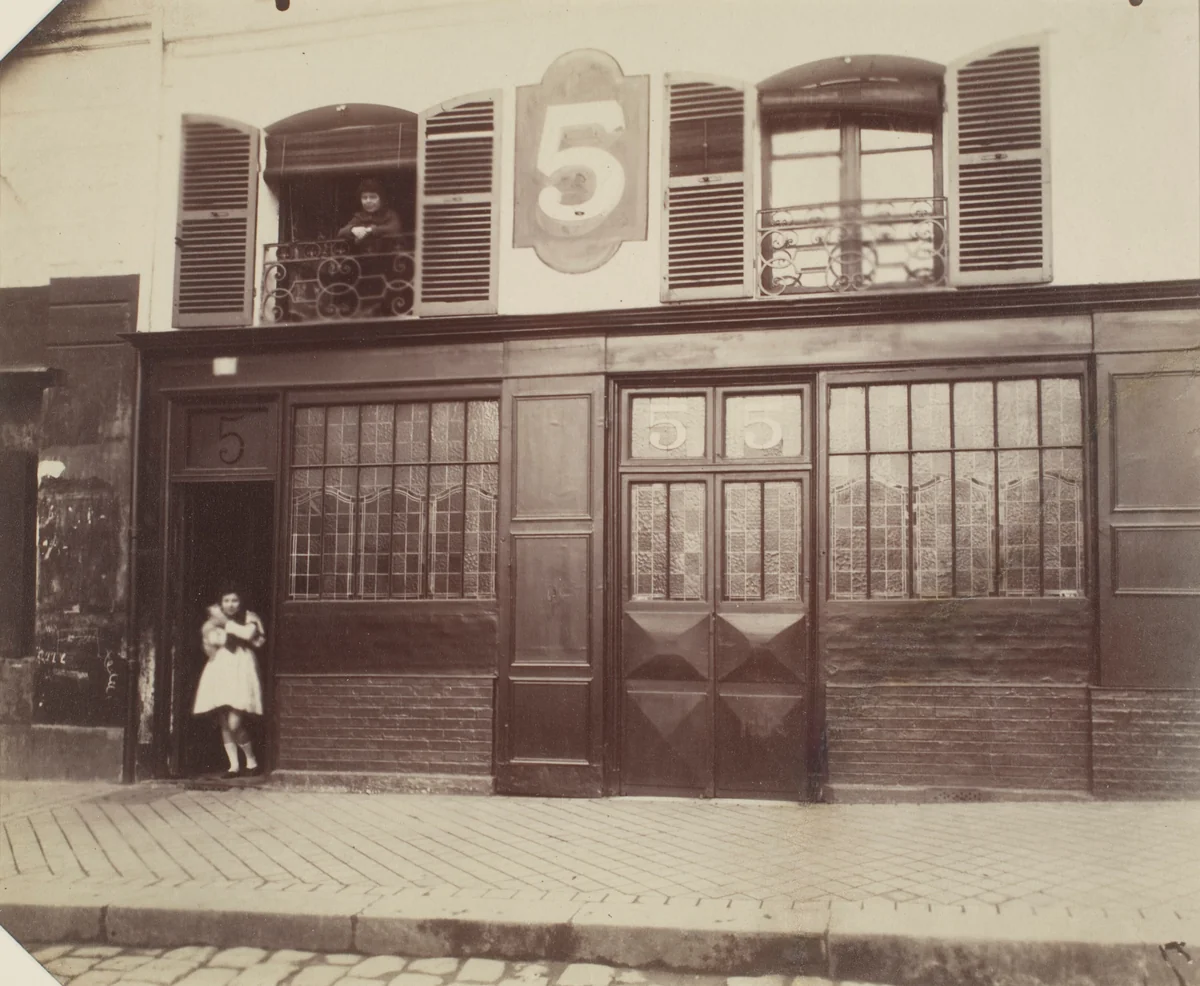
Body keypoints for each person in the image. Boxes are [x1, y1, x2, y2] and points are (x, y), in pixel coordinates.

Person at [192, 586, 265, 778]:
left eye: (234, 600)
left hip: (241, 668)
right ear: (220, 603)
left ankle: (252, 761)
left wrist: (224, 623)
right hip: (221, 668)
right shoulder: (213, 622)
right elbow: (211, 642)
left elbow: (249, 635)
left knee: (235, 722)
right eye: (226, 601)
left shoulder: (250, 617)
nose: (230, 605)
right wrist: (211, 633)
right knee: (224, 722)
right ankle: (234, 766)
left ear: (241, 602)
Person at [336, 178, 402, 246]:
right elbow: (341, 233)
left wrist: (371, 230)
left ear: (381, 199)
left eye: (373, 197)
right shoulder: (360, 217)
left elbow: (394, 228)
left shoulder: (390, 215)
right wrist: (352, 229)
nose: (368, 201)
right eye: (364, 198)